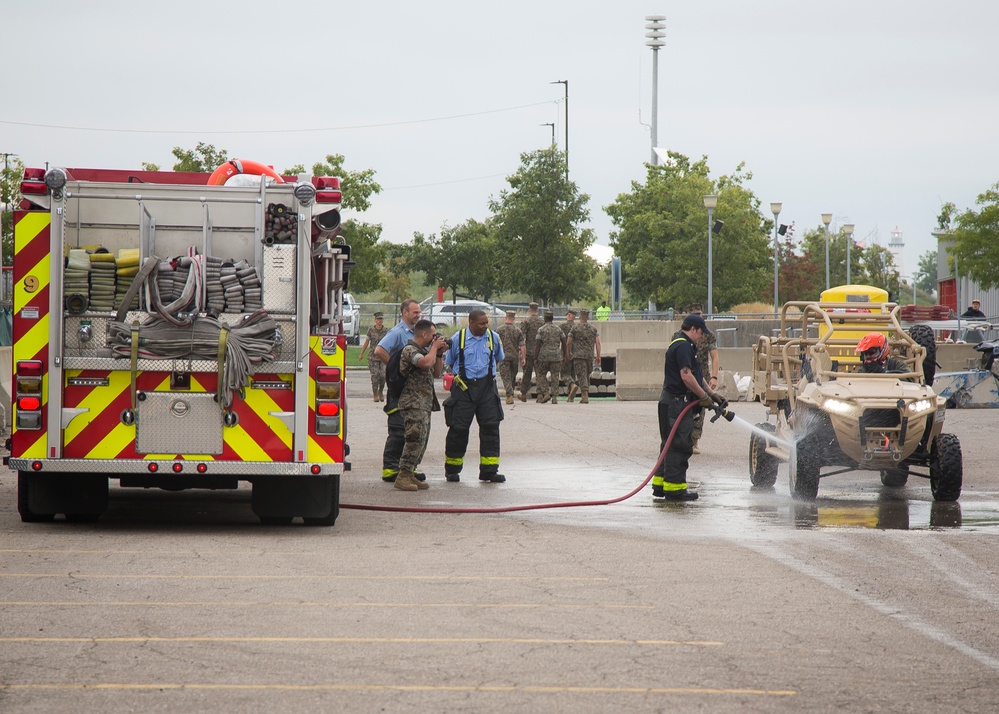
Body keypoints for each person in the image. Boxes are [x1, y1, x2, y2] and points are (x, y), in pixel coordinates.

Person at [651, 314, 727, 501]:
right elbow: (686, 376)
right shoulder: (684, 345)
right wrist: (702, 397)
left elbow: (696, 374)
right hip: (676, 403)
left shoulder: (683, 343)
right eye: (701, 333)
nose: (702, 337)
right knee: (679, 445)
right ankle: (675, 489)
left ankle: (661, 485)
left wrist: (711, 394)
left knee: (668, 445)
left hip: (670, 402)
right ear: (693, 329)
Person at [442, 309, 506, 483]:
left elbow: (498, 357)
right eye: (482, 323)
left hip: (487, 389)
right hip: (463, 389)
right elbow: (449, 362)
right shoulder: (458, 338)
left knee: (491, 428)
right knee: (458, 429)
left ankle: (489, 471)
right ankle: (452, 470)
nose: (485, 326)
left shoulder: (493, 337)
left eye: (486, 323)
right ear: (471, 322)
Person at [393, 319, 448, 491]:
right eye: (433, 336)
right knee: (414, 437)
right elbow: (424, 363)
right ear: (424, 334)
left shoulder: (426, 351)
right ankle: (402, 475)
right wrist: (433, 349)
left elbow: (437, 372)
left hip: (424, 403)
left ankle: (410, 473)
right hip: (412, 402)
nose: (434, 339)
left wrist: (438, 353)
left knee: (422, 440)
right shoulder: (409, 350)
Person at [373, 299, 425, 484]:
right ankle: (390, 469)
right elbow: (379, 350)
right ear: (404, 312)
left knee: (413, 430)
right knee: (398, 430)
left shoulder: (418, 333)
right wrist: (395, 368)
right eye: (415, 312)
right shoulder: (397, 332)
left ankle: (407, 469)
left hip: (413, 391)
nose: (418, 315)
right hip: (399, 390)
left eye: (419, 312)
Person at [686, 304, 719, 455]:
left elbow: (715, 356)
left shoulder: (708, 334)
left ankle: (694, 441)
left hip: (702, 376)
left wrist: (714, 377)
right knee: (684, 408)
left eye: (700, 314)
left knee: (700, 410)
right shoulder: (679, 337)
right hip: (686, 376)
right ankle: (683, 438)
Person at [566, 308, 601, 404]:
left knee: (581, 375)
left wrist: (568, 353)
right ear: (588, 317)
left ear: (580, 317)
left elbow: (569, 342)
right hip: (589, 356)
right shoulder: (593, 329)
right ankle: (585, 393)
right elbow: (598, 343)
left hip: (578, 356)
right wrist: (598, 356)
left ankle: (584, 395)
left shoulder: (575, 328)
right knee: (587, 374)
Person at [533, 310, 566, 404]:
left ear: (544, 318)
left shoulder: (541, 329)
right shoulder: (558, 329)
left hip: (543, 357)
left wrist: (535, 357)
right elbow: (564, 342)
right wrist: (564, 355)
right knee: (555, 376)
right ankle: (555, 397)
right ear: (552, 318)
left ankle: (546, 392)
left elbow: (538, 345)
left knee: (541, 375)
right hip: (556, 356)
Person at [358, 311, 388, 402]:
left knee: (383, 375)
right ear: (375, 320)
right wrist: (361, 354)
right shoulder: (371, 330)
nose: (380, 321)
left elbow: (389, 343)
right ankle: (375, 394)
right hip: (373, 356)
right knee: (375, 376)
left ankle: (380, 392)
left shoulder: (386, 331)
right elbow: (366, 342)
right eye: (378, 319)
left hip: (383, 356)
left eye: (381, 319)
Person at [496, 310, 525, 405]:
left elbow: (495, 344)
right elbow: (522, 345)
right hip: (514, 357)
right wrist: (523, 358)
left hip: (503, 356)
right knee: (512, 376)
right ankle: (510, 395)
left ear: (506, 317)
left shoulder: (499, 330)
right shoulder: (518, 330)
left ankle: (509, 395)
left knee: (506, 377)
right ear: (514, 319)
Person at [517, 302, 543, 402]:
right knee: (539, 374)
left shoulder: (526, 322)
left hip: (528, 352)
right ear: (538, 310)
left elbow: (522, 337)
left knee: (527, 373)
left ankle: (523, 393)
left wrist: (521, 351)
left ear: (529, 310)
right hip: (539, 352)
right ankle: (540, 394)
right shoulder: (542, 322)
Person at [558, 309, 577, 396]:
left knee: (564, 373)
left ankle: (572, 384)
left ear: (568, 316)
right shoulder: (577, 327)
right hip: (576, 353)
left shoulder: (562, 326)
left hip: (566, 352)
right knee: (572, 373)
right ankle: (570, 395)